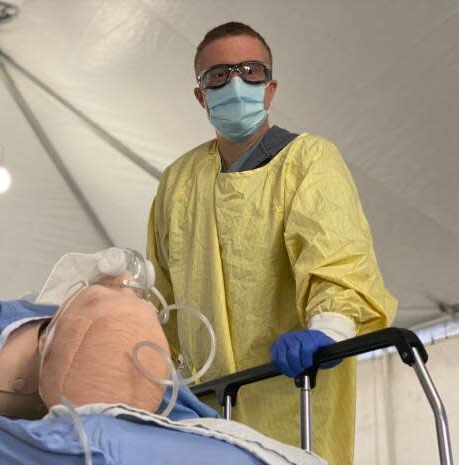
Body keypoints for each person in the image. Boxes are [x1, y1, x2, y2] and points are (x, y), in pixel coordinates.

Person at [147, 22, 397, 465]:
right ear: (201, 95)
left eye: (250, 70)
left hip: (294, 396)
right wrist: (149, 374)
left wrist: (330, 329)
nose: (236, 83)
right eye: (218, 75)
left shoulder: (308, 160)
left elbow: (338, 257)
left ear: (270, 87)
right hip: (205, 410)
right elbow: (159, 299)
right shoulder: (178, 183)